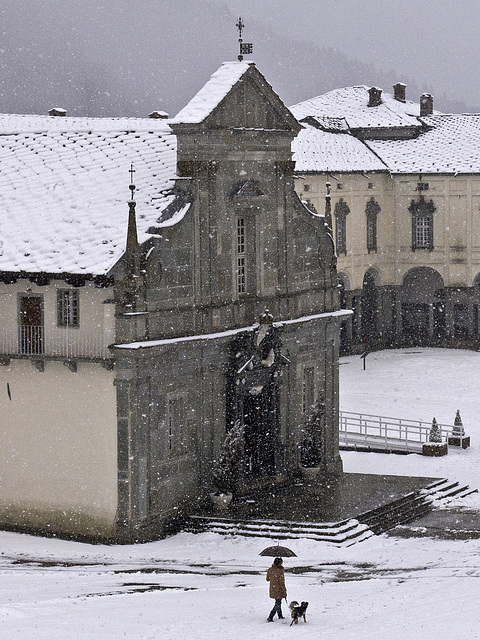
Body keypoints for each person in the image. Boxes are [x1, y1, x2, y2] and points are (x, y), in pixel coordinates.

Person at [266, 557, 287, 622]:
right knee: (278, 603)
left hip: (273, 588)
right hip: (279, 589)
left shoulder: (270, 569)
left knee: (278, 602)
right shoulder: (280, 571)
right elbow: (282, 582)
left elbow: (267, 579)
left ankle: (280, 615)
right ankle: (270, 616)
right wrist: (284, 590)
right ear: (279, 563)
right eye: (281, 563)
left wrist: (273, 577)